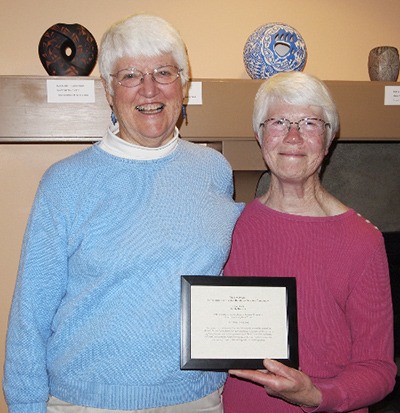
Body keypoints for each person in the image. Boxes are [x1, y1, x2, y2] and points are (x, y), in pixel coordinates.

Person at [3, 14, 243, 413]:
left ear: (183, 84)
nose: (149, 89)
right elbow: (31, 312)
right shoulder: (65, 183)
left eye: (163, 72)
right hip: (85, 402)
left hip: (196, 400)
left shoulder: (213, 170)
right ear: (109, 91)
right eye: (130, 75)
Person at [222, 71, 396, 412]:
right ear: (259, 135)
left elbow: (379, 369)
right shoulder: (228, 228)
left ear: (329, 139)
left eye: (310, 123)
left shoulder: (363, 241)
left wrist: (316, 395)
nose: (293, 137)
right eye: (279, 122)